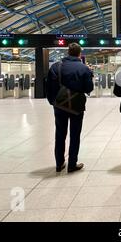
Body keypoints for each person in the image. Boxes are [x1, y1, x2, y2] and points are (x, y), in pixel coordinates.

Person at [46, 43, 94, 173]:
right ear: (79, 54)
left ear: (68, 52)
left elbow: (49, 87)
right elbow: (89, 88)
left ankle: (59, 163)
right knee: (75, 135)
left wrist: (53, 102)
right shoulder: (84, 68)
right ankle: (72, 164)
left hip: (60, 105)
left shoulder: (56, 67)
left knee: (60, 134)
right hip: (77, 106)